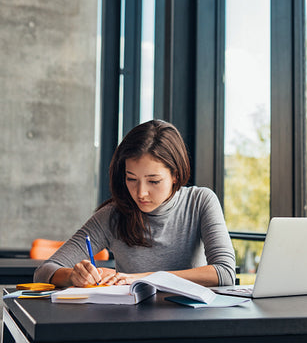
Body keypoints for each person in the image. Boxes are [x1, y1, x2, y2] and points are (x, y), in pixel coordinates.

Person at [34, 119, 236, 288]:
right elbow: (45, 271)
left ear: (175, 175)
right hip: (131, 323)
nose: (141, 193)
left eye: (153, 181)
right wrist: (72, 276)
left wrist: (141, 278)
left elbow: (224, 272)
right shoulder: (113, 215)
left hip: (191, 322)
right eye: (131, 179)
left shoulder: (200, 202)